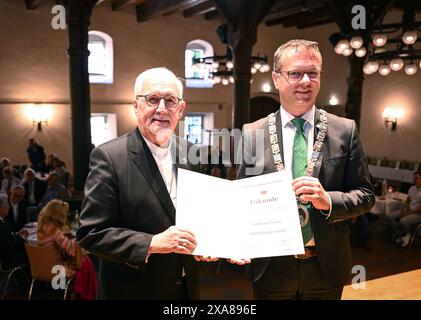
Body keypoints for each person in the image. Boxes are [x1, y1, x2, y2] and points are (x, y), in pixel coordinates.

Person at [235, 39, 375, 300]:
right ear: (276, 78)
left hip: (326, 266)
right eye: (295, 73)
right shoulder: (253, 133)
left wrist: (328, 201)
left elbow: (366, 195)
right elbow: (242, 199)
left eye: (313, 73)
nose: (305, 81)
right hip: (271, 266)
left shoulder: (345, 130)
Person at [77, 67, 214, 300]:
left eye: (170, 100)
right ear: (136, 106)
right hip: (134, 291)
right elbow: (91, 234)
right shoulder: (109, 157)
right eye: (152, 99)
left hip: (186, 289)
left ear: (180, 109)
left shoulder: (191, 153)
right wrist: (152, 242)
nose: (161, 109)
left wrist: (208, 243)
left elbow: (196, 216)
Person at [391, 171, 421, 247]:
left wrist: (408, 213)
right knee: (389, 216)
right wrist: (405, 209)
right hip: (408, 211)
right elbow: (408, 200)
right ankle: (402, 234)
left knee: (403, 221)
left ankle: (408, 235)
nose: (414, 179)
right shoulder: (412, 188)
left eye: (416, 178)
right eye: (414, 177)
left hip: (417, 213)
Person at [0, 192, 28, 270]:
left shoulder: (3, 222)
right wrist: (24, 239)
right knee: (32, 254)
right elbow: (11, 244)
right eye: (7, 205)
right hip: (8, 259)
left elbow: (8, 236)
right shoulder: (1, 225)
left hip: (8, 253)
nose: (9, 207)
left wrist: (17, 234)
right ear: (1, 208)